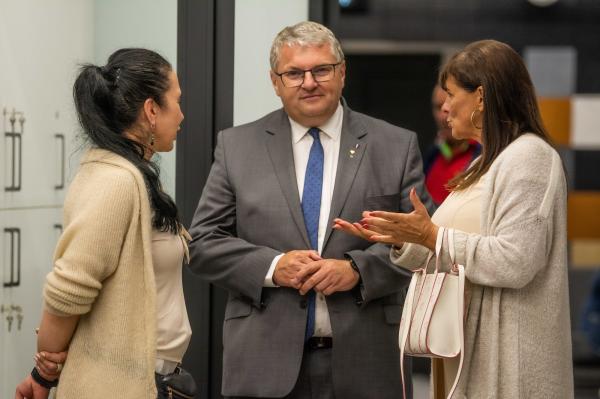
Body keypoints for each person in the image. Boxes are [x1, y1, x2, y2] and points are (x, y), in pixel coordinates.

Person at [189, 21, 433, 399]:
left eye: (321, 69)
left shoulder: (395, 146)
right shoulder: (236, 147)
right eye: (294, 73)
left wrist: (358, 270)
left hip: (367, 364)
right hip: (262, 362)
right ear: (275, 81)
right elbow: (203, 244)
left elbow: (423, 245)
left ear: (342, 72)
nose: (309, 82)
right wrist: (273, 268)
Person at [333, 39, 574, 398]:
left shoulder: (529, 157)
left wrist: (431, 235)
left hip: (509, 362)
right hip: (468, 350)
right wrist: (402, 236)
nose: (444, 107)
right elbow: (452, 249)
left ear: (480, 97)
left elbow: (517, 261)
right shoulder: (486, 161)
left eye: (449, 94)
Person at [15, 48, 195, 399]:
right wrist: (43, 372)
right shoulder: (115, 181)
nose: (183, 115)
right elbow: (68, 289)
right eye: (177, 101)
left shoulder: (134, 175)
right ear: (151, 110)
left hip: (151, 379)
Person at [423, 84, 480, 206]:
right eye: (437, 107)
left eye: (450, 105)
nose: (443, 116)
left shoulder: (484, 154)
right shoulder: (432, 153)